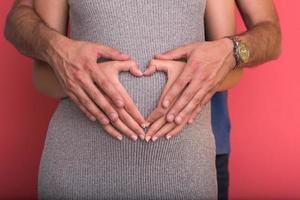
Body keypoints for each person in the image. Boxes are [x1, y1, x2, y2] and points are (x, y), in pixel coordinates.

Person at [4, 0, 281, 199]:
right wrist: (84, 80)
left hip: (184, 172)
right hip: (77, 169)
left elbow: (233, 61)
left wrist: (206, 70)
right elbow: (43, 71)